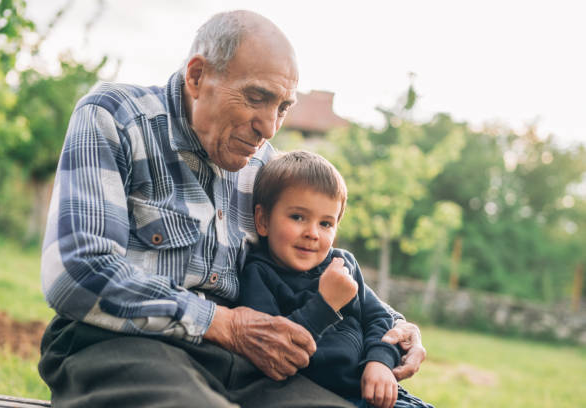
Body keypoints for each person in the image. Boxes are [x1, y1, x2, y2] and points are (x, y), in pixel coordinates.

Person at [38, 10, 426, 408]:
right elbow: (76, 271)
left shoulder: (263, 165)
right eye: (257, 98)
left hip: (241, 362)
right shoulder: (115, 118)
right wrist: (222, 323)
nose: (270, 127)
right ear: (197, 76)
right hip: (124, 344)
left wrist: (395, 324)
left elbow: (312, 261)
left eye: (283, 107)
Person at [238, 150, 433, 408]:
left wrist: (380, 362)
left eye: (326, 224)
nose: (312, 233)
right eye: (298, 217)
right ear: (263, 220)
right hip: (314, 396)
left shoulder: (342, 265)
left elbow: (379, 317)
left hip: (372, 388)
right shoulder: (260, 275)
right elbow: (269, 345)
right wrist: (325, 305)